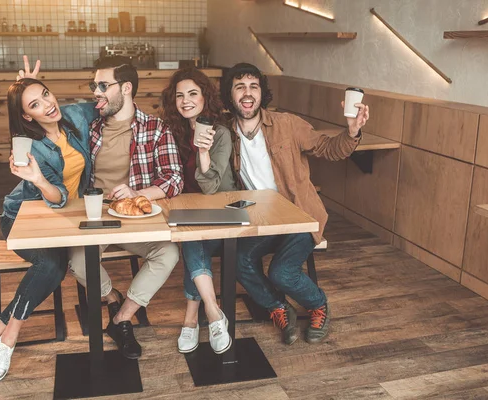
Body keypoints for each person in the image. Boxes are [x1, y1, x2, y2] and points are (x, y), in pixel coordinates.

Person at [220, 63, 370, 345]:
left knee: (281, 272)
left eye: (254, 86)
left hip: (300, 215)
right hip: (260, 219)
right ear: (230, 96)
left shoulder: (287, 124)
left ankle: (318, 305)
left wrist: (351, 132)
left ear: (262, 94)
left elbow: (328, 148)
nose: (247, 93)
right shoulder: (225, 134)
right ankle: (278, 306)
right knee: (238, 262)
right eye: (240, 87)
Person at [0, 77, 96, 382]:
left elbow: (106, 103)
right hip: (20, 218)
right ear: (26, 116)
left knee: (54, 266)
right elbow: (57, 196)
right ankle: (7, 338)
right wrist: (38, 179)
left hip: (62, 222)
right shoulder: (35, 147)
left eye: (46, 95)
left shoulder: (74, 115)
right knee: (51, 266)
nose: (48, 105)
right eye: (35, 104)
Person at [65, 56, 184, 360]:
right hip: (96, 214)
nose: (96, 91)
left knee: (168, 252)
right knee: (78, 263)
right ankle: (112, 296)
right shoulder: (89, 127)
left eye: (103, 85)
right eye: (94, 85)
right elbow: (50, 118)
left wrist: (137, 192)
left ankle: (122, 318)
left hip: (134, 215)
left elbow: (174, 179)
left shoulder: (155, 128)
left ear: (127, 88)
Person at [161, 68, 236, 354]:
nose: (186, 101)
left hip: (221, 211)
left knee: (190, 240)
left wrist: (203, 152)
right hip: (185, 211)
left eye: (193, 93)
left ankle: (193, 317)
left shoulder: (221, 135)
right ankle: (213, 311)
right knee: (190, 238)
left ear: (206, 96)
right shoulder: (172, 131)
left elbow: (210, 189)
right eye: (179, 95)